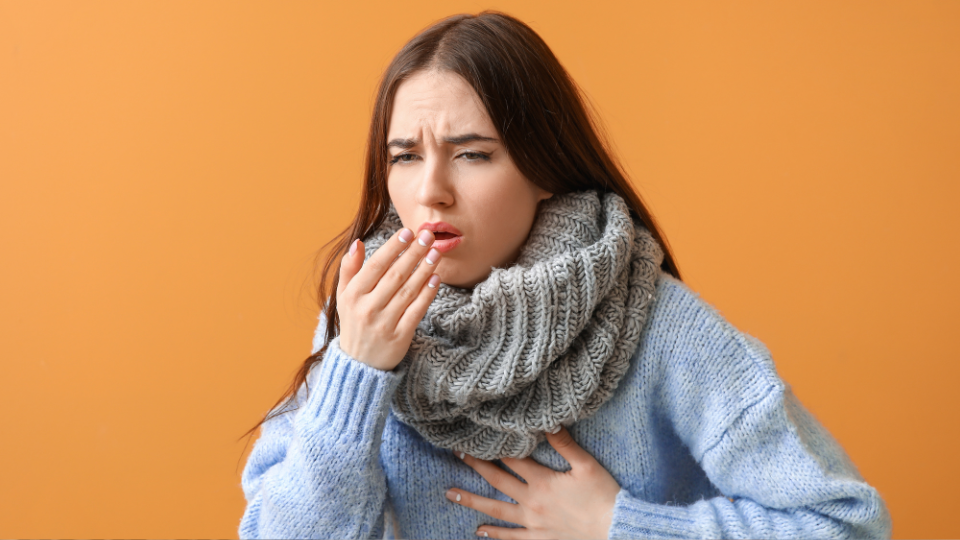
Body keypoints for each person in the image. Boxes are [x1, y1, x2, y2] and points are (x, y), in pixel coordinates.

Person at [238, 10, 891, 540]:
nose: (430, 190)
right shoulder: (363, 317)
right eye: (404, 157)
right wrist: (356, 373)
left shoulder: (658, 325)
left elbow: (848, 527)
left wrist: (619, 527)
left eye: (472, 154)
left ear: (543, 168)